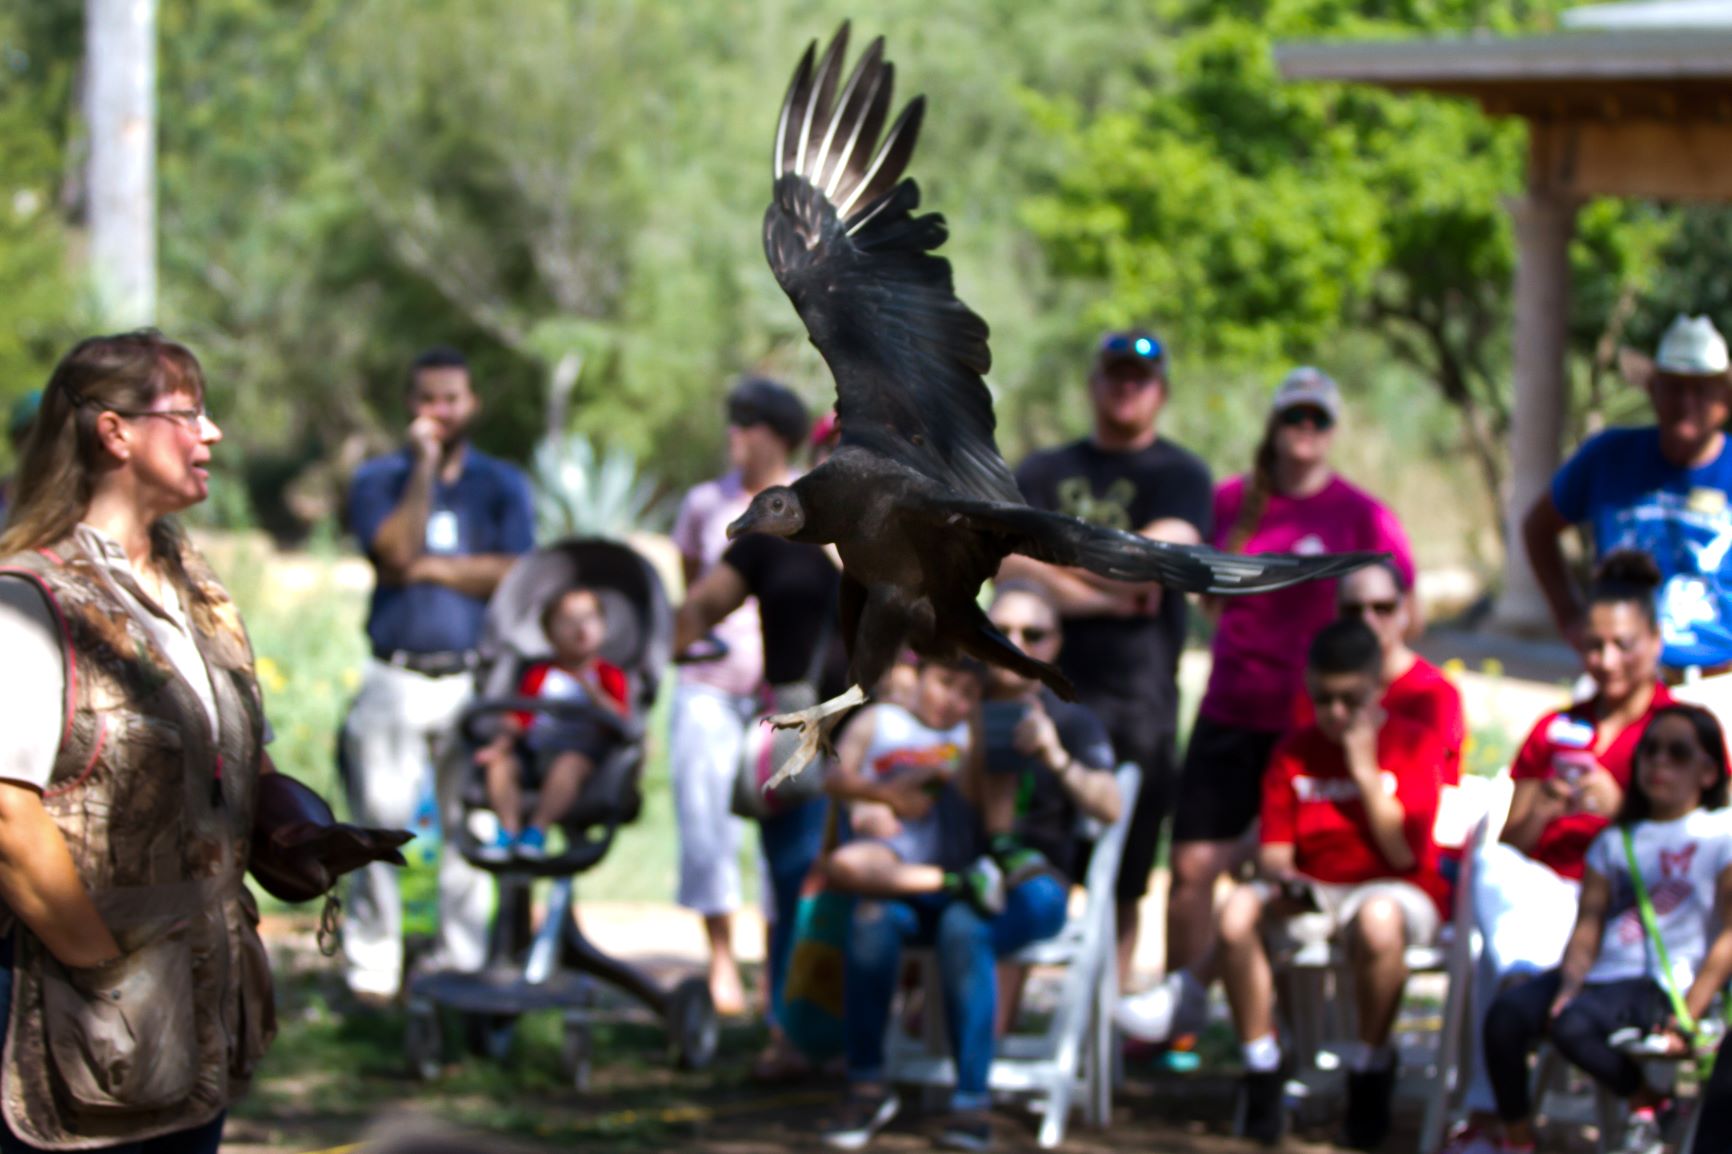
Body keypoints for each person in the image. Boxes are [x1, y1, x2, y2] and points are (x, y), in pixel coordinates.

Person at [0, 332, 387, 1150]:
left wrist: (289, 830)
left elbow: (238, 758)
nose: (212, 433)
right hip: (66, 1020)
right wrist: (108, 981)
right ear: (115, 433)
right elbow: (7, 820)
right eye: (189, 414)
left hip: (189, 1014)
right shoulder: (28, 604)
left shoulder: (196, 591)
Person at [1128, 620, 1446, 1148]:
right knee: (1234, 914)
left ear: (1377, 688)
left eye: (1350, 699)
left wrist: (1365, 773)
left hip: (1394, 888)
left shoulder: (1411, 743)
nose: (1336, 713)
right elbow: (1275, 853)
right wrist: (1283, 882)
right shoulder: (1293, 751)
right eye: (1323, 698)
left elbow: (1403, 853)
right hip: (1315, 890)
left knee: (1378, 920)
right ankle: (1261, 1068)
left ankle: (1370, 1071)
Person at [1126, 556, 1457, 1046]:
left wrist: (1364, 770)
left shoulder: (1428, 702)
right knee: (1242, 893)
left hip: (1395, 877)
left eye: (1383, 607)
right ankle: (1270, 1056)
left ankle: (1194, 991)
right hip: (1316, 872)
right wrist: (1271, 870)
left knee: (1372, 917)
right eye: (1353, 609)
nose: (1368, 621)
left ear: (1406, 610)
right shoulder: (1311, 714)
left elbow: (1417, 835)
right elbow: (1290, 800)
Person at [1167, 367, 1416, 984]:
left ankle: (1274, 1021)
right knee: (1193, 868)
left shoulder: (1361, 514)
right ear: (1275, 424)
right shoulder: (1230, 501)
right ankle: (1179, 1028)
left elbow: (1404, 605)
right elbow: (1195, 580)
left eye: (1318, 418)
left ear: (1331, 430)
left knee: (1287, 872)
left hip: (1308, 721)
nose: (1305, 428)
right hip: (1230, 708)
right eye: (1294, 416)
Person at [1437, 552, 1673, 1154]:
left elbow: (1703, 841)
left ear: (1655, 641)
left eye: (1623, 645)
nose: (1606, 661)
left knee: (1496, 958)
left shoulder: (1679, 734)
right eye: (1594, 646)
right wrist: (1543, 807)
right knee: (1490, 867)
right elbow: (1510, 846)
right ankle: (1528, 974)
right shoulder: (1555, 728)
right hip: (1542, 903)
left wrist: (1620, 808)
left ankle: (1490, 1115)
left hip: (1627, 915)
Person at [1001, 329, 1213, 985]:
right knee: (1032, 847)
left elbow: (1155, 562)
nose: (1127, 387)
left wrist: (1058, 568)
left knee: (1125, 871)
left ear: (1161, 392)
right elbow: (1003, 558)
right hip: (1041, 692)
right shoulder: (1041, 470)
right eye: (1116, 375)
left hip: (1138, 701)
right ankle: (1017, 1004)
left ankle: (1110, 1010)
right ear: (1094, 385)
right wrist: (1108, 596)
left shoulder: (1181, 474)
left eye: (1140, 378)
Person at [341, 346, 535, 1002]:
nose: (439, 412)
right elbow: (392, 551)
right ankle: (373, 971)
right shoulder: (379, 478)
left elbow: (517, 572)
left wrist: (430, 568)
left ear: (471, 403)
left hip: (471, 682)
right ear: (409, 404)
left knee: (467, 828)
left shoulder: (502, 484)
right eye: (427, 399)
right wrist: (421, 468)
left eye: (451, 399)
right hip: (393, 676)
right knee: (376, 824)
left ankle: (459, 964)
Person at [820, 655, 1072, 1153]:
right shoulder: (878, 722)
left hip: (955, 894)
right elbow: (832, 775)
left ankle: (971, 1099)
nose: (951, 699)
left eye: (966, 692)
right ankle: (866, 1083)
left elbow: (995, 811)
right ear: (918, 676)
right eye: (943, 683)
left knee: (962, 928)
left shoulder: (976, 738)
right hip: (903, 883)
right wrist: (881, 796)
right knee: (868, 915)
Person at [673, 411, 845, 1081]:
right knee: (794, 876)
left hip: (885, 725)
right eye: (836, 450)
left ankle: (867, 1031)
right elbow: (701, 606)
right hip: (801, 727)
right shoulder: (774, 532)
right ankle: (790, 1031)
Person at [1477, 704, 1732, 1154]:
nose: (1659, 763)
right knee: (1506, 1016)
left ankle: (1652, 1104)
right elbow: (1589, 923)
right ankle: (1518, 1141)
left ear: (1709, 770)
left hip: (1665, 982)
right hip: (1602, 975)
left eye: (1677, 753)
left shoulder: (1720, 834)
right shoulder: (1616, 839)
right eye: (1649, 751)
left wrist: (1690, 1012)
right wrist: (1569, 984)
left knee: (1574, 1026)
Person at [669, 375, 808, 1016]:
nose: (735, 436)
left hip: (778, 699)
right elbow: (697, 594)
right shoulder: (706, 504)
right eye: (733, 422)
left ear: (779, 437)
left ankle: (776, 971)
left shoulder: (808, 507)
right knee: (707, 823)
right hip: (709, 687)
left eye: (748, 424)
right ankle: (721, 958)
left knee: (786, 829)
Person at [1524, 313, 1732, 678]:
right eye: (1674, 387)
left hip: (1719, 678)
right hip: (1619, 676)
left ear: (1725, 398)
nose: (1687, 401)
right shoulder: (1607, 457)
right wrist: (1571, 617)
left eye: (1702, 388)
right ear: (1653, 389)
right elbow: (1537, 528)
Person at [974, 579, 1122, 1033]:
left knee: (976, 926)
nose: (1015, 645)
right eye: (1000, 631)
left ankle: (972, 1055)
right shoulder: (953, 704)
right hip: (960, 872)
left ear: (1055, 644)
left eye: (1033, 635)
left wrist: (1056, 757)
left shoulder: (1072, 721)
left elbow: (1111, 805)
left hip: (1039, 882)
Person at [472, 586, 629, 863]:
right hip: (534, 753)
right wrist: (500, 746)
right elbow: (518, 718)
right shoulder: (539, 674)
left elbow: (621, 722)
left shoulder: (608, 675)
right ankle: (507, 833)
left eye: (589, 618)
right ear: (549, 633)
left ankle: (537, 831)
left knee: (569, 764)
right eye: (568, 621)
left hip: (581, 760)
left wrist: (597, 696)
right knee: (501, 766)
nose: (580, 627)